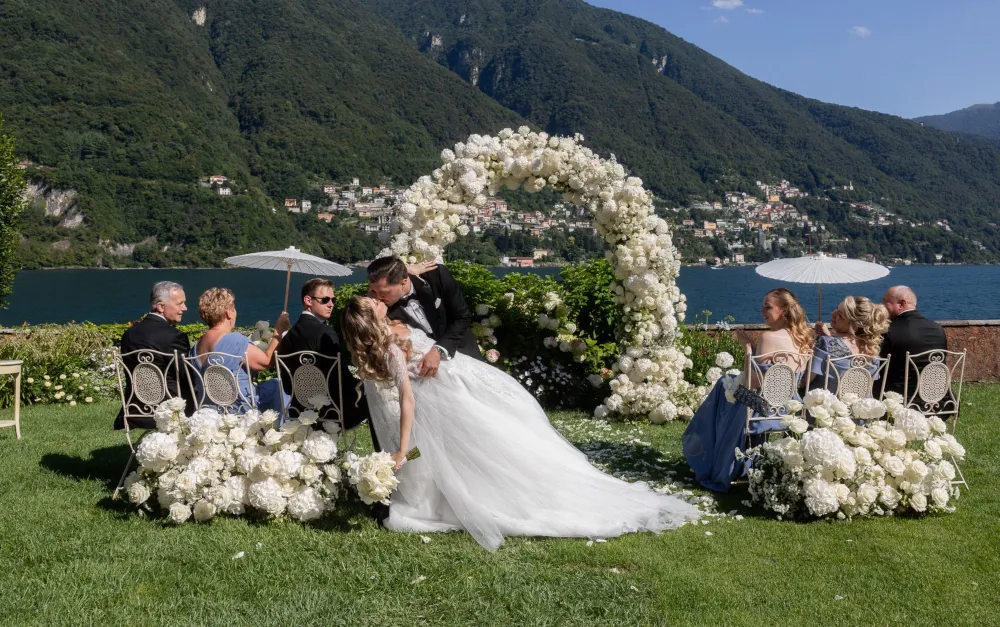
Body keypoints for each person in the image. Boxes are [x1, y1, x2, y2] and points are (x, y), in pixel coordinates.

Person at [340, 296, 701, 551]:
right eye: (371, 303)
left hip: (452, 391)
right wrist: (402, 448)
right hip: (438, 400)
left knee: (491, 443)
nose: (375, 299)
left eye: (374, 297)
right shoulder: (387, 347)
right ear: (370, 320)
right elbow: (404, 397)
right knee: (473, 451)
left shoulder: (391, 336)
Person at [682, 288, 814, 492]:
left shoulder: (769, 338)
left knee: (722, 388)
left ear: (784, 311)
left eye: (768, 307)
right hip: (788, 408)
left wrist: (748, 349)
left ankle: (713, 458)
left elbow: (752, 383)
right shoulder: (803, 339)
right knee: (727, 384)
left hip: (761, 408)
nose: (762, 311)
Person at [367, 256, 483, 375]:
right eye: (374, 291)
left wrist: (438, 350)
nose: (378, 297)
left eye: (384, 293)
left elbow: (463, 317)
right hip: (425, 372)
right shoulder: (379, 305)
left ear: (404, 281)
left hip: (463, 351)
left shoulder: (437, 276)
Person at [188, 288, 289, 413]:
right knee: (277, 385)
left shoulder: (196, 346)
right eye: (233, 308)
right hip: (239, 409)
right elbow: (267, 363)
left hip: (209, 410)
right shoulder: (235, 341)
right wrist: (278, 332)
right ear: (229, 313)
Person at [115, 281, 192, 430]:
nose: (185, 308)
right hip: (168, 410)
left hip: (135, 409)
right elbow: (187, 376)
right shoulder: (174, 336)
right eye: (179, 304)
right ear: (160, 307)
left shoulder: (129, 334)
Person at [811, 296, 889, 393]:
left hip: (829, 405)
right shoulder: (872, 348)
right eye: (836, 309)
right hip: (862, 405)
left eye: (840, 315)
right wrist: (830, 336)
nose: (832, 314)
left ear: (854, 325)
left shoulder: (826, 343)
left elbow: (807, 380)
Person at [880, 286, 948, 396]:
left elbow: (881, 367)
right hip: (938, 398)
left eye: (885, 302)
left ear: (901, 304)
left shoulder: (889, 332)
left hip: (902, 400)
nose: (882, 307)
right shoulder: (938, 329)